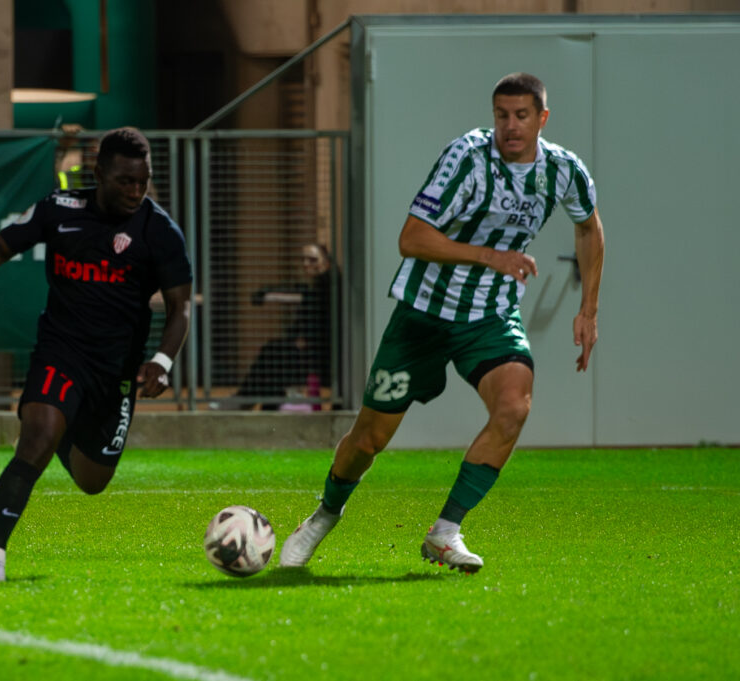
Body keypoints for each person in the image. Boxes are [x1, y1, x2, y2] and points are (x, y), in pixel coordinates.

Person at [279, 73, 605, 572]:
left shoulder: (563, 170)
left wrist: (588, 310)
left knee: (514, 407)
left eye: (521, 116)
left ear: (542, 118)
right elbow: (411, 238)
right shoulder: (467, 158)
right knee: (369, 440)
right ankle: (324, 515)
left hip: (491, 315)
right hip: (424, 313)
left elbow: (589, 228)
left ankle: (445, 532)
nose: (510, 126)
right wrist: (491, 256)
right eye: (501, 115)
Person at [0, 127, 193, 583]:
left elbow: (181, 307)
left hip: (116, 369)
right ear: (98, 175)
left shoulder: (160, 231)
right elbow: (0, 243)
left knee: (93, 481)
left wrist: (162, 362)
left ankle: (64, 433)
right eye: (125, 181)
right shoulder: (59, 209)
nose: (135, 191)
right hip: (61, 350)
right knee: (35, 440)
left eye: (142, 182)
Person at [233, 243, 335, 410]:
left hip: (321, 356)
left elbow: (311, 319)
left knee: (272, 355)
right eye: (303, 259)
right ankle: (252, 400)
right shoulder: (317, 285)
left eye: (312, 260)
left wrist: (297, 339)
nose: (306, 264)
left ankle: (246, 399)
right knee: (273, 354)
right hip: (312, 351)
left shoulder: (327, 285)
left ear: (326, 263)